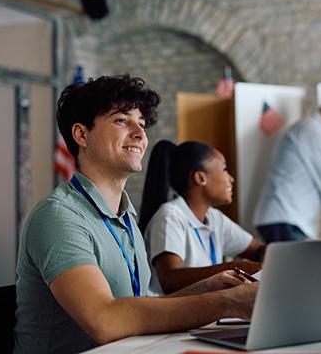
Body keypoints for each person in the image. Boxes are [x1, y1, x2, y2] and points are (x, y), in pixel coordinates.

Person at [14, 75, 257, 353]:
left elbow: (138, 305)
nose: (140, 134)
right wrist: (229, 302)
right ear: (81, 135)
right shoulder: (59, 216)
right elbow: (105, 319)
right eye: (121, 120)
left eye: (141, 123)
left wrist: (208, 288)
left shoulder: (126, 215)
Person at [139, 140, 264, 295]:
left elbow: (258, 249)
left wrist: (269, 259)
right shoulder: (170, 216)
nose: (231, 179)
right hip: (173, 315)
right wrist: (235, 268)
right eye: (225, 169)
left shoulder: (214, 217)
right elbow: (170, 280)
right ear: (200, 178)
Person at [253, 97, 321, 242]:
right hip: (285, 217)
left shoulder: (310, 129)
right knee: (297, 265)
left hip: (288, 218)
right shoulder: (313, 131)